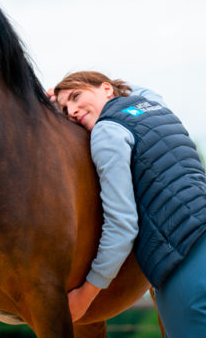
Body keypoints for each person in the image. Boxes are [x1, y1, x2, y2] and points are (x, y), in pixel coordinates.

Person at [52, 70, 206, 337]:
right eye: (65, 109)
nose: (72, 111)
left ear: (107, 89)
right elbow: (133, 89)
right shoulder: (153, 104)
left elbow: (122, 228)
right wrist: (90, 90)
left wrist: (86, 295)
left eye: (76, 96)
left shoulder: (106, 133)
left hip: (181, 263)